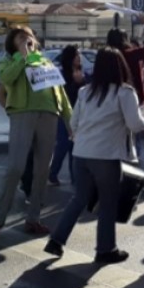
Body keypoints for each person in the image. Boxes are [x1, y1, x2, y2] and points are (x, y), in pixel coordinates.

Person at [44, 48, 144, 263]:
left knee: (78, 199)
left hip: (81, 154)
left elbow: (73, 124)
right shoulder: (125, 92)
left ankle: (56, 240)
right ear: (120, 66)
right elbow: (136, 124)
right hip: (106, 156)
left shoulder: (85, 91)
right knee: (108, 203)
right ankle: (105, 249)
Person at [0, 27, 73, 243]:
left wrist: (71, 123)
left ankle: (33, 218)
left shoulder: (47, 62)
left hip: (49, 115)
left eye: (29, 37)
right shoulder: (9, 61)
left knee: (43, 170)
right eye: (21, 38)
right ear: (12, 43)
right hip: (23, 114)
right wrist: (22, 58)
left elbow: (60, 93)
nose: (27, 40)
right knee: (15, 167)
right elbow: (6, 78)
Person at [107, 13, 144, 158]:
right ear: (125, 40)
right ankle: (132, 160)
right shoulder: (131, 54)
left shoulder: (106, 56)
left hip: (110, 99)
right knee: (133, 133)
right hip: (132, 97)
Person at [48, 46, 85, 186]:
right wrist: (75, 83)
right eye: (76, 54)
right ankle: (52, 173)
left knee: (74, 148)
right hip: (64, 115)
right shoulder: (61, 74)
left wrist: (81, 82)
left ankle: (74, 177)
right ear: (70, 57)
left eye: (79, 54)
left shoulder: (81, 73)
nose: (79, 57)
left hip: (79, 115)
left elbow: (85, 94)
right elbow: (64, 96)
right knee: (63, 145)